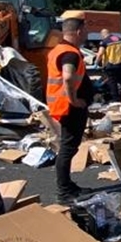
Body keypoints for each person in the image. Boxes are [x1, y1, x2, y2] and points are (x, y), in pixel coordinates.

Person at [47, 15, 94, 205]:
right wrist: (74, 100)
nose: (87, 34)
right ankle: (64, 191)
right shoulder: (69, 53)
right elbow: (67, 77)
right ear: (78, 31)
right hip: (69, 108)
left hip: (63, 106)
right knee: (67, 148)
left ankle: (68, 185)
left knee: (68, 147)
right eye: (85, 30)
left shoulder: (59, 49)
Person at [97, 28, 121, 102]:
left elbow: (100, 53)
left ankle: (116, 100)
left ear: (102, 34)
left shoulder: (104, 41)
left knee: (112, 82)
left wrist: (96, 63)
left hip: (111, 65)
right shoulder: (119, 39)